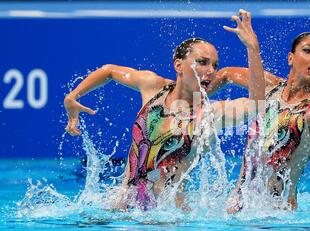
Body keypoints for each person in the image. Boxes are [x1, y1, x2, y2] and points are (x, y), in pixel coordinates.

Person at [63, 9, 265, 211]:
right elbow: (108, 71)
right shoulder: (153, 87)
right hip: (123, 211)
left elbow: (256, 103)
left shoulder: (209, 115)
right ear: (178, 64)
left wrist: (253, 49)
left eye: (214, 65)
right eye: (202, 62)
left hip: (169, 221)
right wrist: (72, 96)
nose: (211, 71)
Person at [210, 24, 310, 212]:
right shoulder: (267, 88)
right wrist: (193, 101)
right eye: (308, 50)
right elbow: (227, 74)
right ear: (290, 58)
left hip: (279, 216)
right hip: (237, 206)